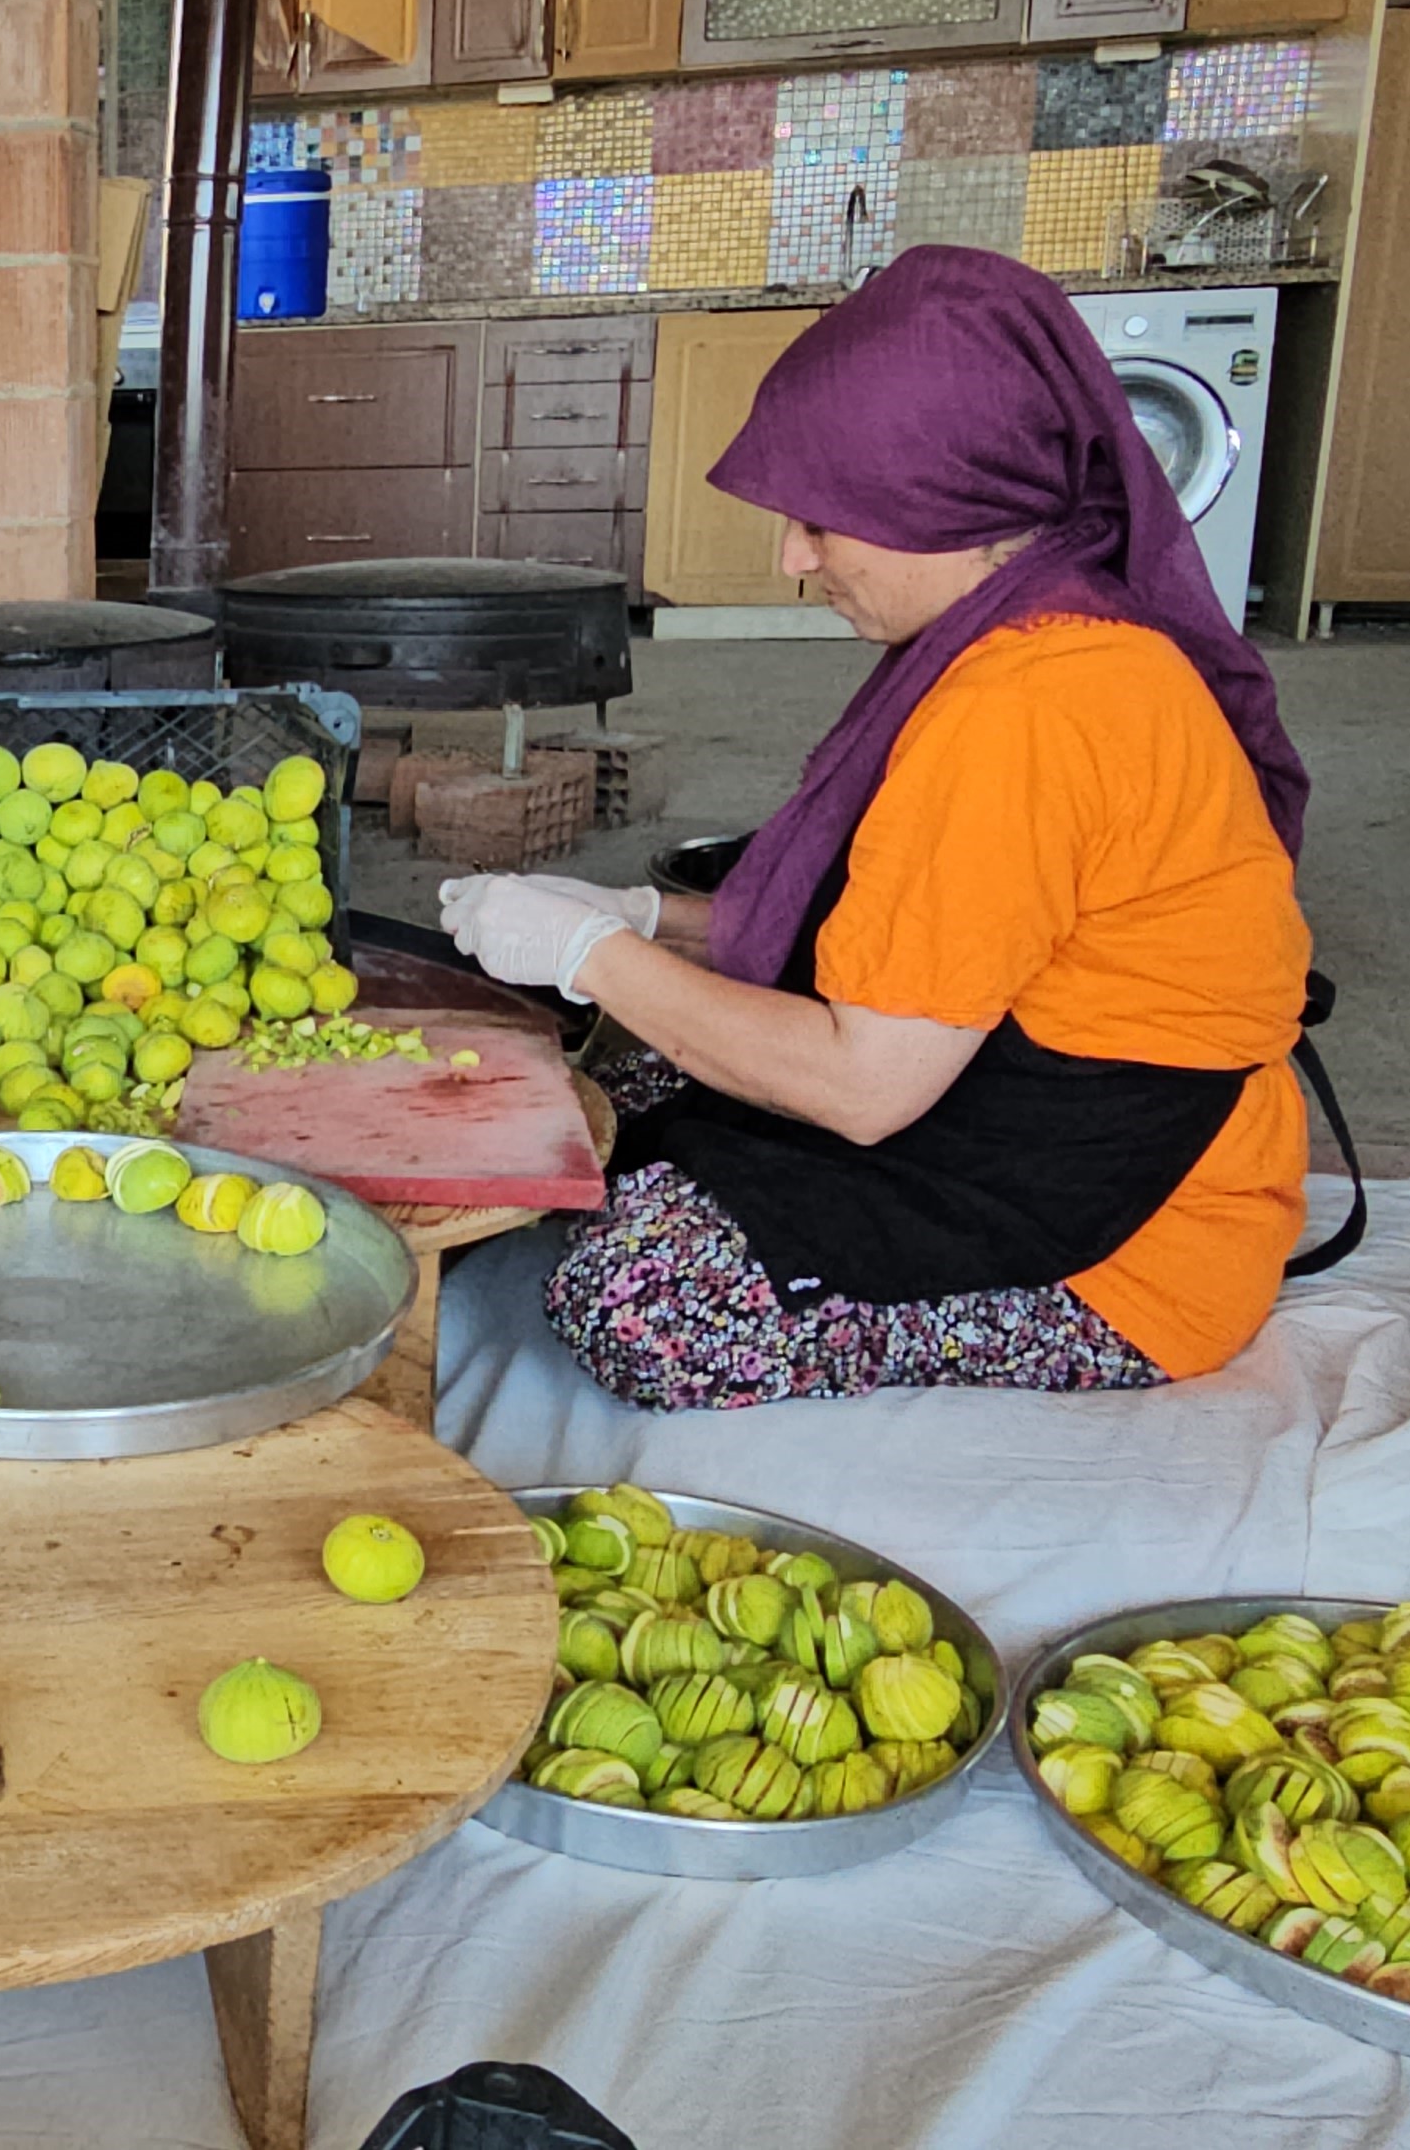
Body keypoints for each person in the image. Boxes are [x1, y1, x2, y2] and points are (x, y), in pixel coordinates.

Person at [442, 247, 1317, 1410]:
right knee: (610, 1080)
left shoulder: (1028, 707)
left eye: (823, 519)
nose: (795, 557)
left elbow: (866, 1087)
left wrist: (592, 955)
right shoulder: (1045, 627)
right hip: (1004, 1074)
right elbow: (948, 936)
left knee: (637, 1292)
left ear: (941, 505)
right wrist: (655, 919)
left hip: (1129, 1230)